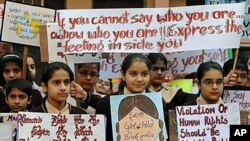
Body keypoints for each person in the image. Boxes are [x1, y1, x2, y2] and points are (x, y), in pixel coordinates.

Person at [96, 53, 168, 141]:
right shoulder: (106, 103)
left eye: (144, 74)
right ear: (123, 75)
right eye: (133, 74)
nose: (139, 79)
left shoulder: (159, 102)